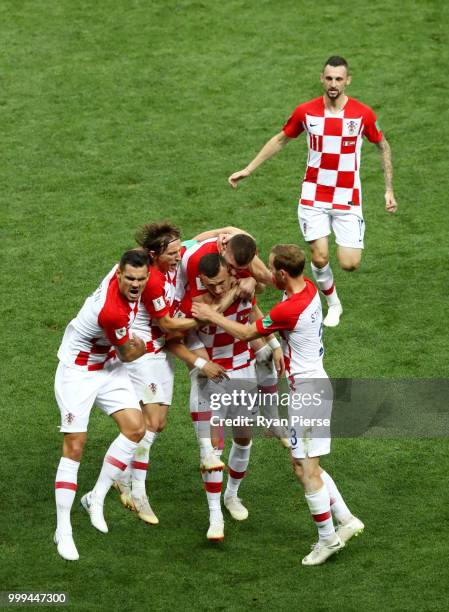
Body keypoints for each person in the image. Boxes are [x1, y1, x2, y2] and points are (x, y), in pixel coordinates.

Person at [192, 244, 364, 566]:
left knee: (305, 470)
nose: (267, 274)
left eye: (271, 270)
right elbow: (272, 301)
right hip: (316, 387)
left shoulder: (288, 309)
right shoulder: (308, 288)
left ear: (283, 274)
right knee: (305, 465)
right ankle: (346, 520)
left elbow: (245, 331)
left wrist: (212, 314)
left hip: (307, 396)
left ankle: (327, 539)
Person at [228, 55, 397, 327]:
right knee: (319, 256)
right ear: (322, 78)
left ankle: (330, 294)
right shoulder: (306, 111)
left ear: (347, 80)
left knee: (350, 263)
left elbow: (383, 145)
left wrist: (389, 189)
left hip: (347, 198)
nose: (333, 84)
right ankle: (333, 303)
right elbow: (281, 139)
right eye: (329, 78)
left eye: (339, 79)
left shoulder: (362, 114)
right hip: (313, 196)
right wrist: (249, 169)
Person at [113, 223, 228, 525]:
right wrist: (207, 316)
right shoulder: (151, 282)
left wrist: (226, 233)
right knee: (152, 422)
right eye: (173, 253)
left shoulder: (175, 255)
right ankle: (137, 490)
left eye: (179, 250)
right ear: (155, 255)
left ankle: (122, 474)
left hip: (162, 347)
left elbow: (201, 237)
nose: (179, 256)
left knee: (156, 424)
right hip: (145, 349)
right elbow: (167, 325)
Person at [54, 250, 150, 562]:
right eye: (130, 279)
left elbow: (162, 249)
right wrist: (149, 344)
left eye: (141, 278)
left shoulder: (124, 273)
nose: (136, 284)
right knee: (75, 446)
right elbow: (128, 354)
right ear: (119, 275)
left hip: (106, 367)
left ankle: (95, 497)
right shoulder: (112, 312)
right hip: (79, 372)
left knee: (136, 429)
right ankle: (63, 530)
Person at [182, 253, 284, 542]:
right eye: (210, 284)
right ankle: (215, 515)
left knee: (243, 437)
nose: (216, 289)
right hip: (210, 380)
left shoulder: (242, 286)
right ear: (201, 279)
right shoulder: (194, 302)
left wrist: (273, 343)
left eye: (221, 283)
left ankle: (232, 496)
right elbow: (189, 337)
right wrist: (203, 365)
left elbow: (252, 311)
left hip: (243, 374)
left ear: (230, 271)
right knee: (212, 452)